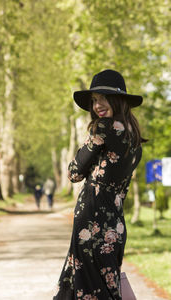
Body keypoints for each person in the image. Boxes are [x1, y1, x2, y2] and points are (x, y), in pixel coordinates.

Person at [53, 69, 145, 300]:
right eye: (94, 100)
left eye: (104, 97)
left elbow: (74, 172)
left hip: (91, 220)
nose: (98, 105)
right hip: (116, 225)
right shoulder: (135, 141)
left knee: (84, 286)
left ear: (118, 99)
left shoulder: (102, 128)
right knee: (105, 285)